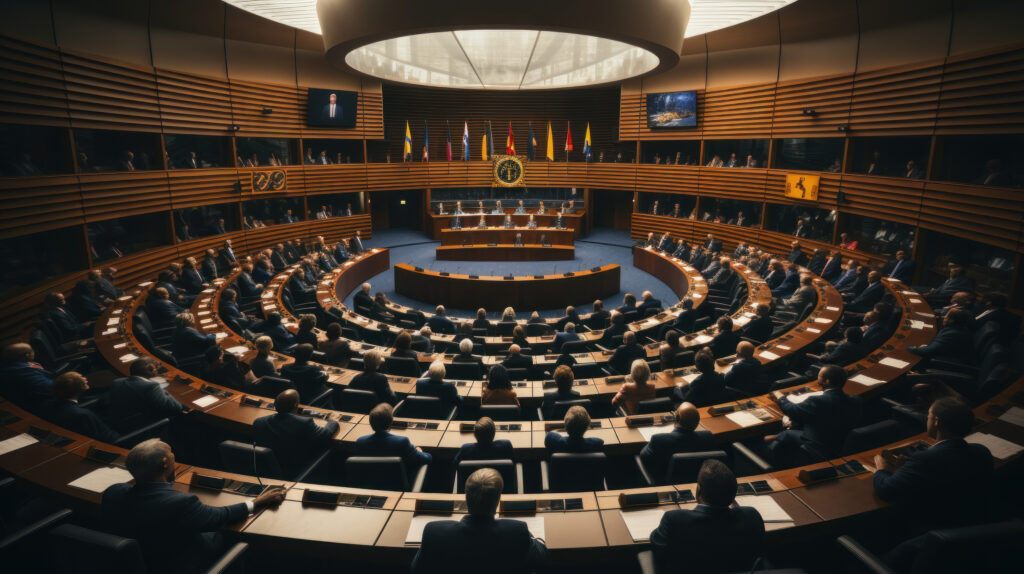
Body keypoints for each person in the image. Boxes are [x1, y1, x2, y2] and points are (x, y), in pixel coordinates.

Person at [102, 439, 286, 573]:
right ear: (165, 463)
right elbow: (221, 515)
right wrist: (257, 501)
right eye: (172, 453)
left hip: (142, 559)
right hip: (184, 564)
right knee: (237, 533)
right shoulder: (181, 503)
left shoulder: (113, 492)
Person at [873, 398, 994, 534]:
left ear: (936, 421)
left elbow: (885, 490)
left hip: (928, 529)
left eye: (929, 415)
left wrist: (881, 469)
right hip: (973, 524)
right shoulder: (981, 451)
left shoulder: (924, 459)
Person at [411, 468, 547, 574]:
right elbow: (542, 560)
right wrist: (530, 536)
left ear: (466, 497)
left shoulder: (433, 532)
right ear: (497, 500)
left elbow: (416, 569)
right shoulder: (518, 531)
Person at [649, 459, 765, 573]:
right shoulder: (751, 516)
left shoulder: (674, 519)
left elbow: (658, 547)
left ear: (698, 492)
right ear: (733, 495)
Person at [768, 364, 863, 464]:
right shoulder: (856, 400)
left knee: (786, 433)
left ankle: (770, 461)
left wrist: (780, 397)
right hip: (840, 442)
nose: (817, 376)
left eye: (819, 375)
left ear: (827, 381)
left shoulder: (817, 401)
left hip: (818, 444)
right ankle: (774, 438)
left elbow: (791, 410)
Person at [254, 389, 339, 477]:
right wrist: (332, 421)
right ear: (296, 405)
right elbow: (326, 434)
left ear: (274, 404)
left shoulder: (259, 422)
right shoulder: (304, 423)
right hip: (297, 468)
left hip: (267, 470)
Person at [639, 402, 717, 481]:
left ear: (677, 418)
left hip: (663, 481)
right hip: (696, 480)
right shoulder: (708, 437)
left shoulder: (658, 440)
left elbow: (643, 456)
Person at [104, 358, 183, 434]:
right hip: (138, 428)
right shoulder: (151, 387)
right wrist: (162, 389)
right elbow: (177, 407)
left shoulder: (117, 382)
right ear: (151, 369)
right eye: (157, 367)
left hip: (116, 422)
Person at [354, 403, 432, 469]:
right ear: (391, 422)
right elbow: (427, 459)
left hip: (369, 483)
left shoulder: (360, 442)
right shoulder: (402, 442)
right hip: (399, 485)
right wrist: (418, 451)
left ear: (371, 423)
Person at [908, 309, 973, 365]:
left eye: (946, 317)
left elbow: (926, 351)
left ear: (951, 320)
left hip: (945, 363)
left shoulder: (952, 334)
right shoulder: (959, 329)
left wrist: (906, 348)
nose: (944, 318)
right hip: (947, 356)